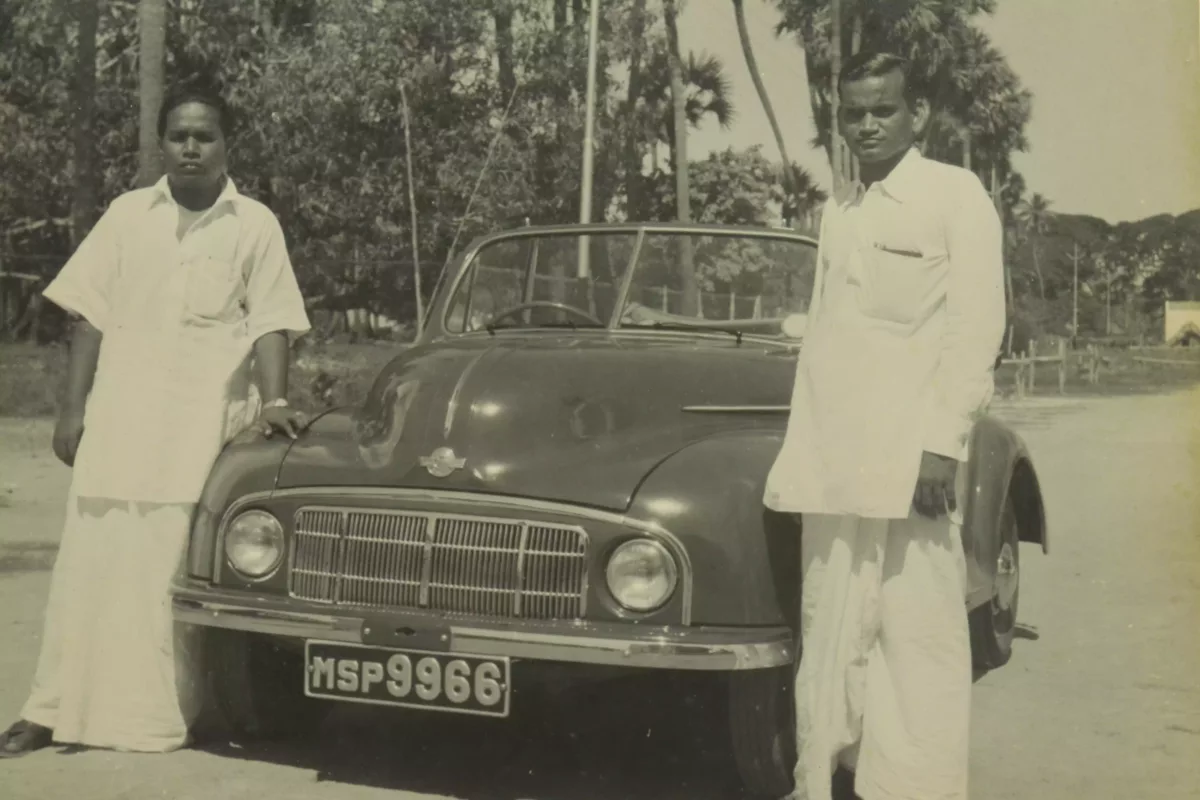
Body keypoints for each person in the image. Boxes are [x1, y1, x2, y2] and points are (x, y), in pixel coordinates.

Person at [0, 85, 311, 757]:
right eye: (179, 136)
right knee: (88, 567)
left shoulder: (255, 223)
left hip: (195, 431)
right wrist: (71, 408)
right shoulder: (126, 216)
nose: (191, 148)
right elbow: (88, 317)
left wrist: (277, 402)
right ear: (162, 144)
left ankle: (156, 718)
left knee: (163, 577)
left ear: (227, 144)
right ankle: (49, 708)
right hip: (118, 422)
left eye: (204, 136)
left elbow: (273, 323)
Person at [763, 51, 1006, 800]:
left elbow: (974, 329)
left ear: (918, 115)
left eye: (883, 110)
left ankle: (918, 787)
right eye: (854, 113)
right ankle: (833, 777)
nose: (867, 125)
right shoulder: (840, 208)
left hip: (911, 465)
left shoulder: (954, 195)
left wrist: (941, 445)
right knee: (830, 624)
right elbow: (834, 332)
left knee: (917, 634)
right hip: (834, 461)